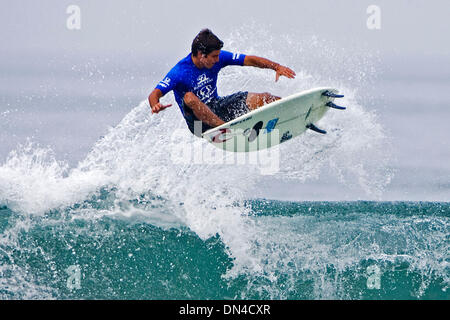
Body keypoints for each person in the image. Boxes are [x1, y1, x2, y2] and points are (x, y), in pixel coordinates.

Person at [148, 29, 296, 136]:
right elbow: (154, 94)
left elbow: (249, 60)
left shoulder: (217, 58)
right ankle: (226, 130)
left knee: (265, 98)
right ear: (201, 55)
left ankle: (294, 114)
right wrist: (155, 105)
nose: (218, 60)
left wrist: (276, 67)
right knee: (189, 97)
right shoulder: (179, 72)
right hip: (199, 125)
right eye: (214, 56)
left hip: (216, 108)